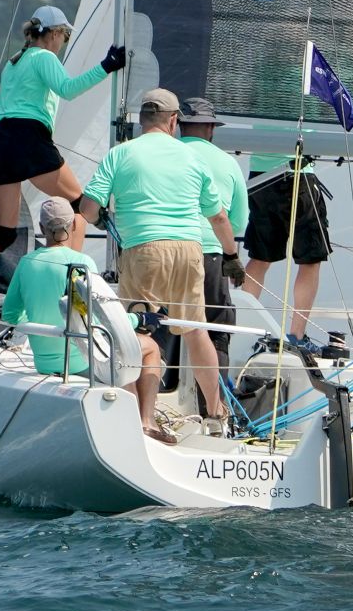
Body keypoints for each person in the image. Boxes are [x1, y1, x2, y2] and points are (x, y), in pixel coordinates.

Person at [78, 88, 237, 444]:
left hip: (143, 250)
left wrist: (100, 216)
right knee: (195, 330)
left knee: (140, 334)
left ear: (141, 120)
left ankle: (143, 418)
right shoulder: (193, 157)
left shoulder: (120, 154)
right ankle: (216, 414)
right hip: (189, 250)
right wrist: (231, 257)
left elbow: (87, 210)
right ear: (173, 120)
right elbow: (219, 217)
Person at [0, 6, 125, 305]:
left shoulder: (14, 61)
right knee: (79, 208)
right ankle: (69, 289)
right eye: (64, 35)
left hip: (1, 143)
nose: (63, 42)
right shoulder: (44, 57)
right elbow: (68, 89)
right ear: (53, 33)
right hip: (29, 138)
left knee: (3, 232)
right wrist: (107, 66)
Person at [179, 97, 248, 410]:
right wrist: (232, 256)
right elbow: (237, 222)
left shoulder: (168, 154)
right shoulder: (227, 163)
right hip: (211, 254)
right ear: (210, 128)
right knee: (217, 330)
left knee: (160, 325)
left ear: (178, 125)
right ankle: (214, 409)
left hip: (166, 249)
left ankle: (154, 407)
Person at [241, 161, 332, 350]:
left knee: (259, 257)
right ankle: (296, 337)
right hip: (298, 171)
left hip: (260, 175)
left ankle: (244, 330)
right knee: (310, 260)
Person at [0, 198, 93, 379]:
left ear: (42, 228)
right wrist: (139, 319)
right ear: (74, 225)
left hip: (43, 365)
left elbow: (9, 314)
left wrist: (35, 323)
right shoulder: (83, 262)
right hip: (81, 364)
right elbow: (98, 318)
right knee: (145, 351)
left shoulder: (26, 262)